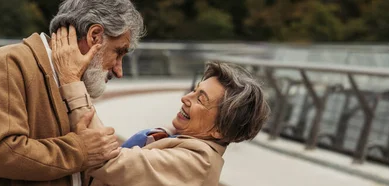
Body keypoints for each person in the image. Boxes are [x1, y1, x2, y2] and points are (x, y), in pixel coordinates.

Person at [0, 0, 145, 185]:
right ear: (94, 36)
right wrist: (80, 150)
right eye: (118, 52)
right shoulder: (10, 63)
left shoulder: (74, 80)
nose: (119, 71)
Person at [51, 32, 271, 185]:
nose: (186, 98)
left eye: (200, 99)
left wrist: (71, 80)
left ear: (219, 131)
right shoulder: (187, 143)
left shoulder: (196, 164)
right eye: (194, 90)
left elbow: (106, 160)